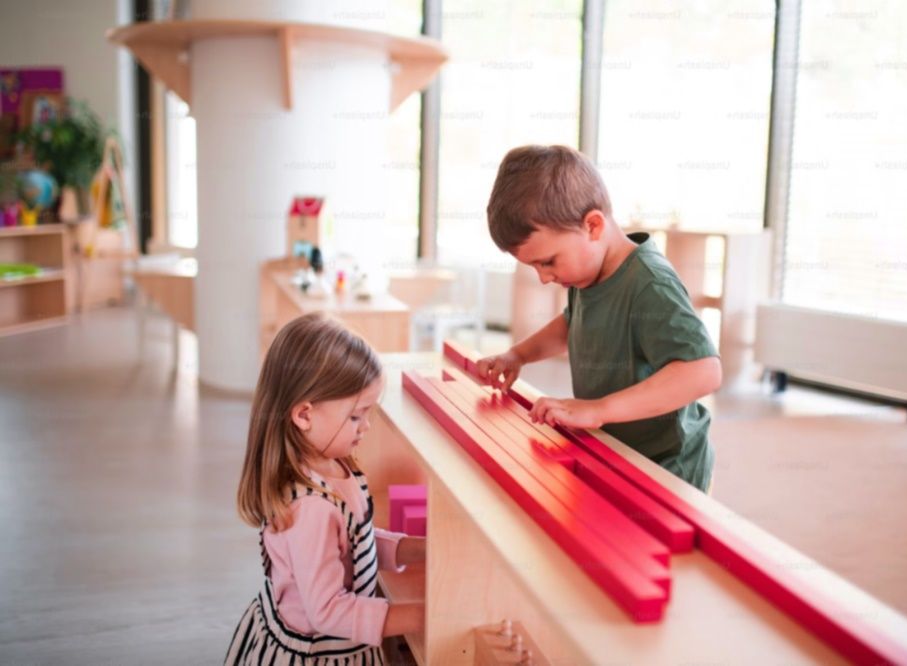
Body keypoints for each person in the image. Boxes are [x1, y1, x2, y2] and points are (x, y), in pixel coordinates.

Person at [478, 145, 721, 492]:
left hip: (667, 466)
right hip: (618, 449)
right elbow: (571, 323)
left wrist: (599, 409)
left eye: (547, 261)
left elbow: (703, 371)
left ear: (592, 225)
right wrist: (518, 355)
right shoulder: (587, 272)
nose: (544, 278)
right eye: (534, 267)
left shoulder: (650, 283)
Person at [226, 312, 425, 664]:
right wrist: (425, 616)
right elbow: (329, 611)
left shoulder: (333, 462)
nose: (365, 427)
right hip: (318, 653)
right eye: (355, 416)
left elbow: (352, 547)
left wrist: (416, 550)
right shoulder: (311, 508)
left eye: (368, 414)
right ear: (304, 415)